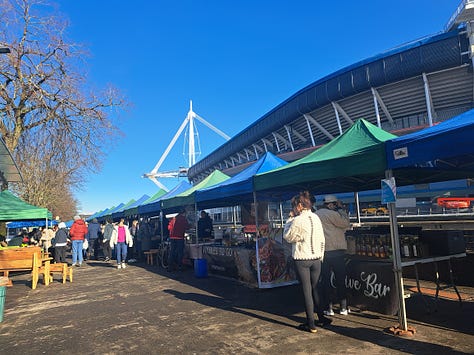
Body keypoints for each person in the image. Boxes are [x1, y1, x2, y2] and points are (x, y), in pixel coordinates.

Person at [283, 191, 330, 333]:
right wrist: (320, 255)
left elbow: (288, 237)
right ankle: (321, 318)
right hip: (317, 257)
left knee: (306, 291)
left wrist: (289, 220)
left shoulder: (297, 220)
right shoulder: (316, 217)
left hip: (302, 258)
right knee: (316, 288)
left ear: (299, 205)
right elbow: (322, 238)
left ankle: (311, 324)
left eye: (293, 206)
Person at [315, 194, 352, 316]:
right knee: (340, 279)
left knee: (325, 280)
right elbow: (346, 223)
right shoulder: (333, 214)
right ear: (331, 204)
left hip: (323, 252)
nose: (336, 206)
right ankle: (343, 307)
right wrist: (341, 209)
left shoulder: (316, 214)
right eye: (336, 204)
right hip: (336, 251)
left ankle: (328, 308)